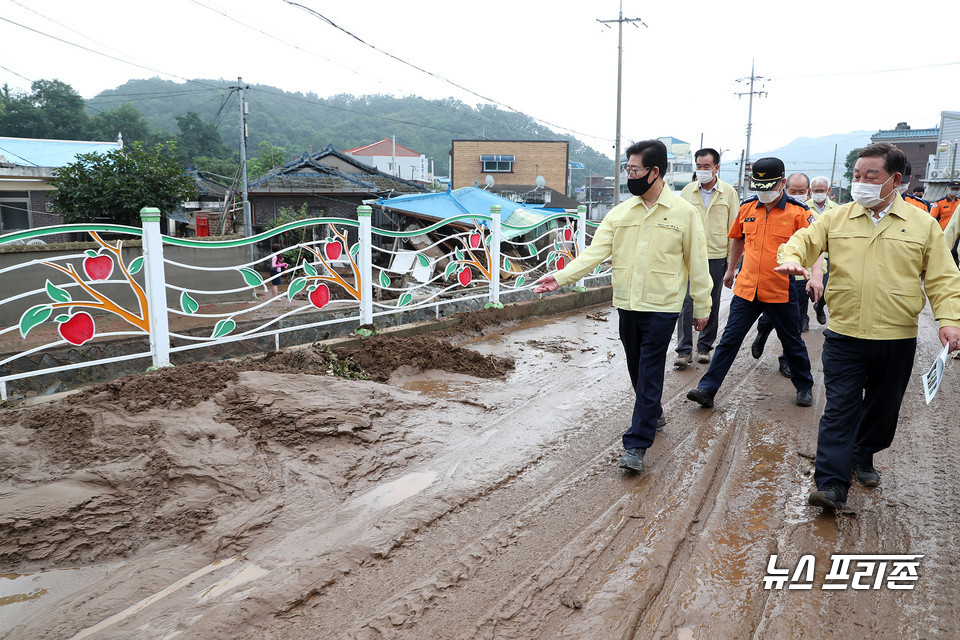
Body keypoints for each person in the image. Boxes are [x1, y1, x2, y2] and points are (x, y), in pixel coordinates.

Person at [776, 143, 960, 511]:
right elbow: (802, 241)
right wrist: (792, 259)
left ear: (895, 180)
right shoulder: (837, 218)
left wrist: (949, 321)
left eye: (869, 175)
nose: (860, 182)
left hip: (897, 336)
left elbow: (942, 278)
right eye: (856, 175)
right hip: (845, 334)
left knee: (882, 410)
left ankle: (863, 454)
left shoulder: (922, 224)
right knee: (840, 408)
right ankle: (831, 484)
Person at [533, 139, 712, 473]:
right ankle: (653, 411)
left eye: (634, 170)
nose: (629, 176)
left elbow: (698, 265)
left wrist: (703, 306)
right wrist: (560, 278)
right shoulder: (621, 213)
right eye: (627, 170)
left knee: (649, 369)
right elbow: (593, 254)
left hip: (663, 306)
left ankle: (637, 444)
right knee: (635, 366)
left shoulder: (684, 214)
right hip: (628, 304)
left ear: (654, 171)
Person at [686, 157, 815, 410]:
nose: (763, 193)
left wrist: (816, 276)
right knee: (729, 340)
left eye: (768, 187)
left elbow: (816, 246)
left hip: (780, 289)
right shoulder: (747, 208)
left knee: (791, 341)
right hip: (746, 289)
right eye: (759, 187)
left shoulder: (799, 213)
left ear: (781, 183)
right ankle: (707, 389)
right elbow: (738, 239)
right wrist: (731, 269)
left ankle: (804, 386)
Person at [752, 172, 824, 377]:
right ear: (785, 188)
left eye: (802, 192)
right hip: (778, 274)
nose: (798, 195)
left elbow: (819, 248)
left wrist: (816, 276)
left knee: (794, 323)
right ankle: (762, 333)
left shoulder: (812, 215)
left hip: (803, 277)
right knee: (769, 316)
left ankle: (786, 360)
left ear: (808, 191)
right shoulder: (780, 208)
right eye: (794, 191)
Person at [674, 148, 740, 368]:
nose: (702, 171)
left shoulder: (728, 192)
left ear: (716, 168)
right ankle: (684, 350)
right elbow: (679, 223)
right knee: (686, 301)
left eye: (706, 167)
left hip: (716, 255)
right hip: (689, 257)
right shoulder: (687, 192)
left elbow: (735, 229)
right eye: (699, 167)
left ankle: (704, 347)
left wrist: (733, 263)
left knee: (710, 299)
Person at [807, 176, 838, 325]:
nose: (818, 193)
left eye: (822, 190)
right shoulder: (803, 207)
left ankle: (819, 307)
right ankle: (803, 320)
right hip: (809, 255)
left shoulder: (837, 209)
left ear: (828, 191)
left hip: (827, 254)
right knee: (802, 293)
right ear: (810, 191)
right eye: (815, 190)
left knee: (825, 289)